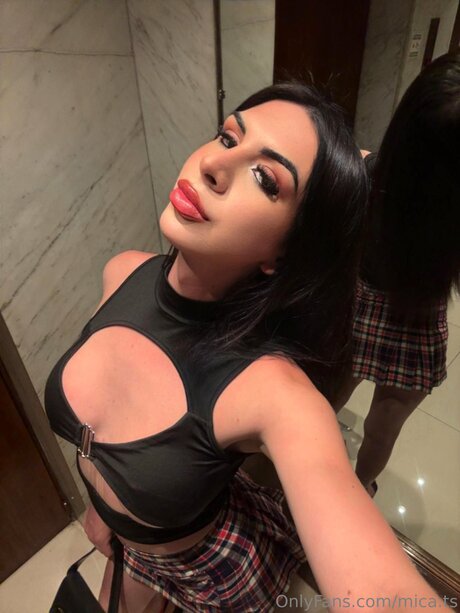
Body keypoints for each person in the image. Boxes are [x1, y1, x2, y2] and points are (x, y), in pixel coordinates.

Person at [45, 82, 448, 612]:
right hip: (134, 551)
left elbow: (381, 588)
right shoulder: (122, 272)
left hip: (213, 575)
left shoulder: (275, 391)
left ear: (283, 252)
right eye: (228, 137)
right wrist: (105, 512)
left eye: (265, 177)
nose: (213, 163)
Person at [334, 52, 460, 497]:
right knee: (383, 428)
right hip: (418, 321)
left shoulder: (366, 174)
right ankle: (358, 490)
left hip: (359, 306)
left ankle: (315, 478)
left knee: (327, 399)